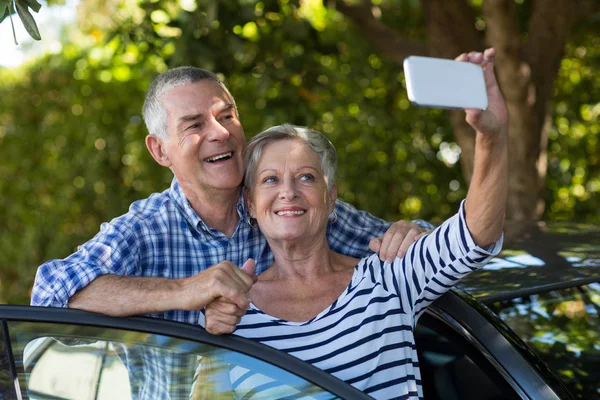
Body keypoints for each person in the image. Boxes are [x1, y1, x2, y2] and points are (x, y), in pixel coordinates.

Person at [199, 48, 508, 400]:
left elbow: (474, 235)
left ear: (331, 198)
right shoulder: (233, 313)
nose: (288, 192)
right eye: (270, 180)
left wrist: (492, 138)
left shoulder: (386, 278)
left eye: (305, 177)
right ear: (251, 205)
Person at [31, 66, 431, 327]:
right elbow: (48, 296)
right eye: (194, 125)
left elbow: (427, 251)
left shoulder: (282, 204)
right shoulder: (146, 230)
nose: (220, 133)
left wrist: (407, 233)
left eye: (226, 115)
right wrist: (184, 291)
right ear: (160, 151)